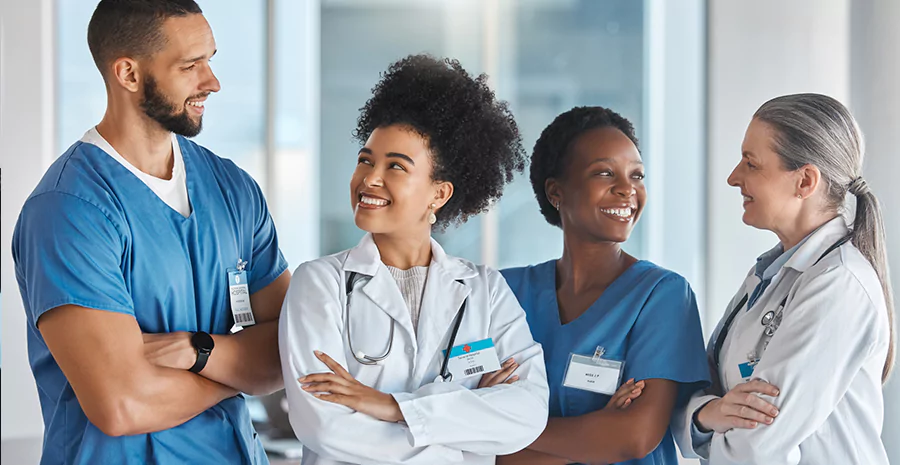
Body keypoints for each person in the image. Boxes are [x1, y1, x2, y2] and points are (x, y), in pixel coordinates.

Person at [12, 1, 290, 463]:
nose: (212, 82)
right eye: (190, 66)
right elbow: (122, 405)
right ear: (128, 73)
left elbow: (286, 353)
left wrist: (194, 351)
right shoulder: (68, 210)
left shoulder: (233, 190)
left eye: (211, 60)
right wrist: (235, 371)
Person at [278, 54, 549, 465]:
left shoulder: (484, 290)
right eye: (366, 160)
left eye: (396, 167)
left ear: (438, 194)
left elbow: (527, 414)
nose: (370, 178)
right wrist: (462, 424)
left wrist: (390, 407)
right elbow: (324, 427)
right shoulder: (319, 283)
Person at [672, 93, 894, 464]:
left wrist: (705, 427)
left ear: (805, 180)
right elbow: (702, 392)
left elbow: (756, 449)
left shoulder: (839, 285)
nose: (733, 177)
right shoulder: (770, 276)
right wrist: (704, 415)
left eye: (751, 164)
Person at [500, 106, 710, 464]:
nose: (627, 189)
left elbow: (634, 436)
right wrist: (598, 429)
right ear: (556, 192)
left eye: (637, 175)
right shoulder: (505, 292)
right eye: (604, 173)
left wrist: (504, 429)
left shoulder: (662, 295)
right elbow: (474, 447)